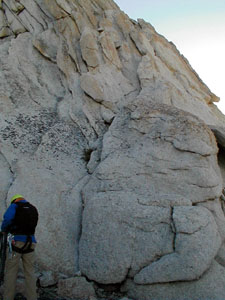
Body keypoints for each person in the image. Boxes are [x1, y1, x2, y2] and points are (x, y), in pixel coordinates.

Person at [1, 194, 38, 300]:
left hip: (16, 243)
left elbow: (7, 219)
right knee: (30, 272)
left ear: (14, 200)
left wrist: (3, 229)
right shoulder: (33, 208)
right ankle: (32, 297)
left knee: (11, 271)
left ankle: (8, 297)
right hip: (31, 242)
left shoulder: (14, 206)